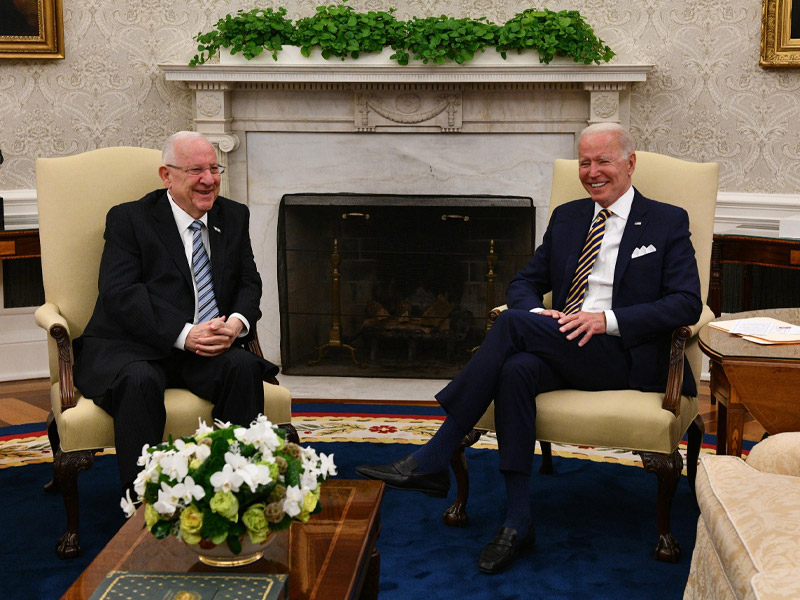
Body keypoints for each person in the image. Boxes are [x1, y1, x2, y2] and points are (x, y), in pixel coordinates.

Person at [356, 123, 703, 574]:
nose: (592, 172)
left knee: (515, 332)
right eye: (584, 162)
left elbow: (686, 302)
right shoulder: (569, 217)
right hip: (563, 344)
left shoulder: (666, 220)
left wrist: (607, 320)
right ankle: (517, 521)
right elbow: (525, 282)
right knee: (517, 367)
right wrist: (539, 317)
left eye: (603, 161)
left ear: (630, 164)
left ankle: (435, 455)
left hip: (624, 355)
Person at [73, 131, 278, 493]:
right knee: (140, 381)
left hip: (207, 348)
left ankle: (237, 490)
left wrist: (235, 324)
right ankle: (143, 503)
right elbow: (120, 294)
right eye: (196, 170)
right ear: (166, 175)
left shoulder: (233, 215)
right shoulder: (130, 219)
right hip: (136, 344)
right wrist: (184, 334)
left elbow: (249, 281)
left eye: (215, 169)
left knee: (243, 367)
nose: (210, 180)